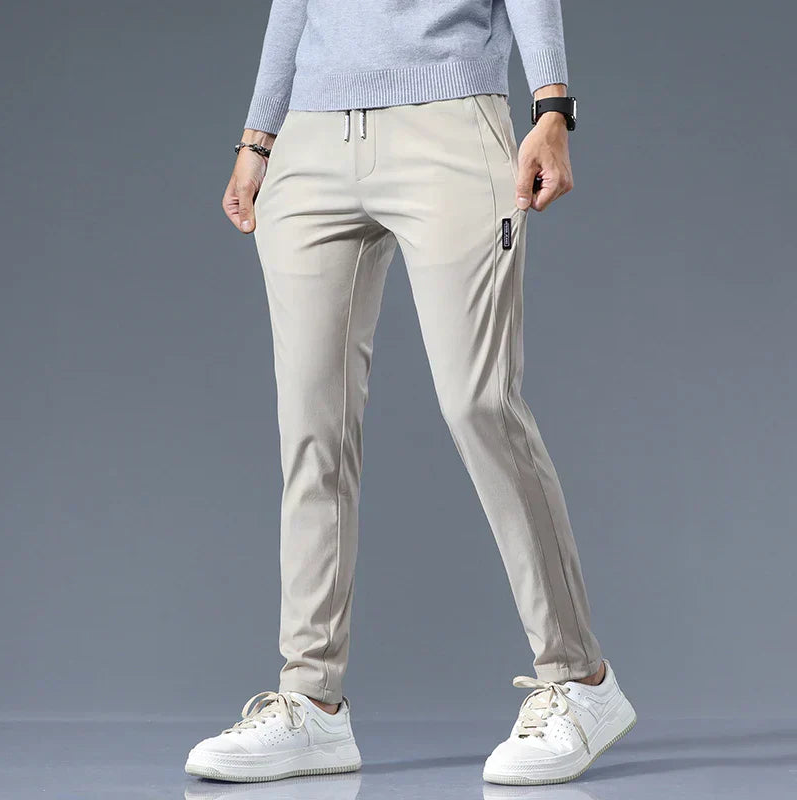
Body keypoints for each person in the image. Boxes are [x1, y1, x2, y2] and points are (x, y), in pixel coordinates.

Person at [185, 0, 636, 787]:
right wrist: (259, 137)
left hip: (449, 122)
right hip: (310, 139)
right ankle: (312, 702)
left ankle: (579, 679)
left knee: (480, 404)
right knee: (312, 427)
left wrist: (552, 106)